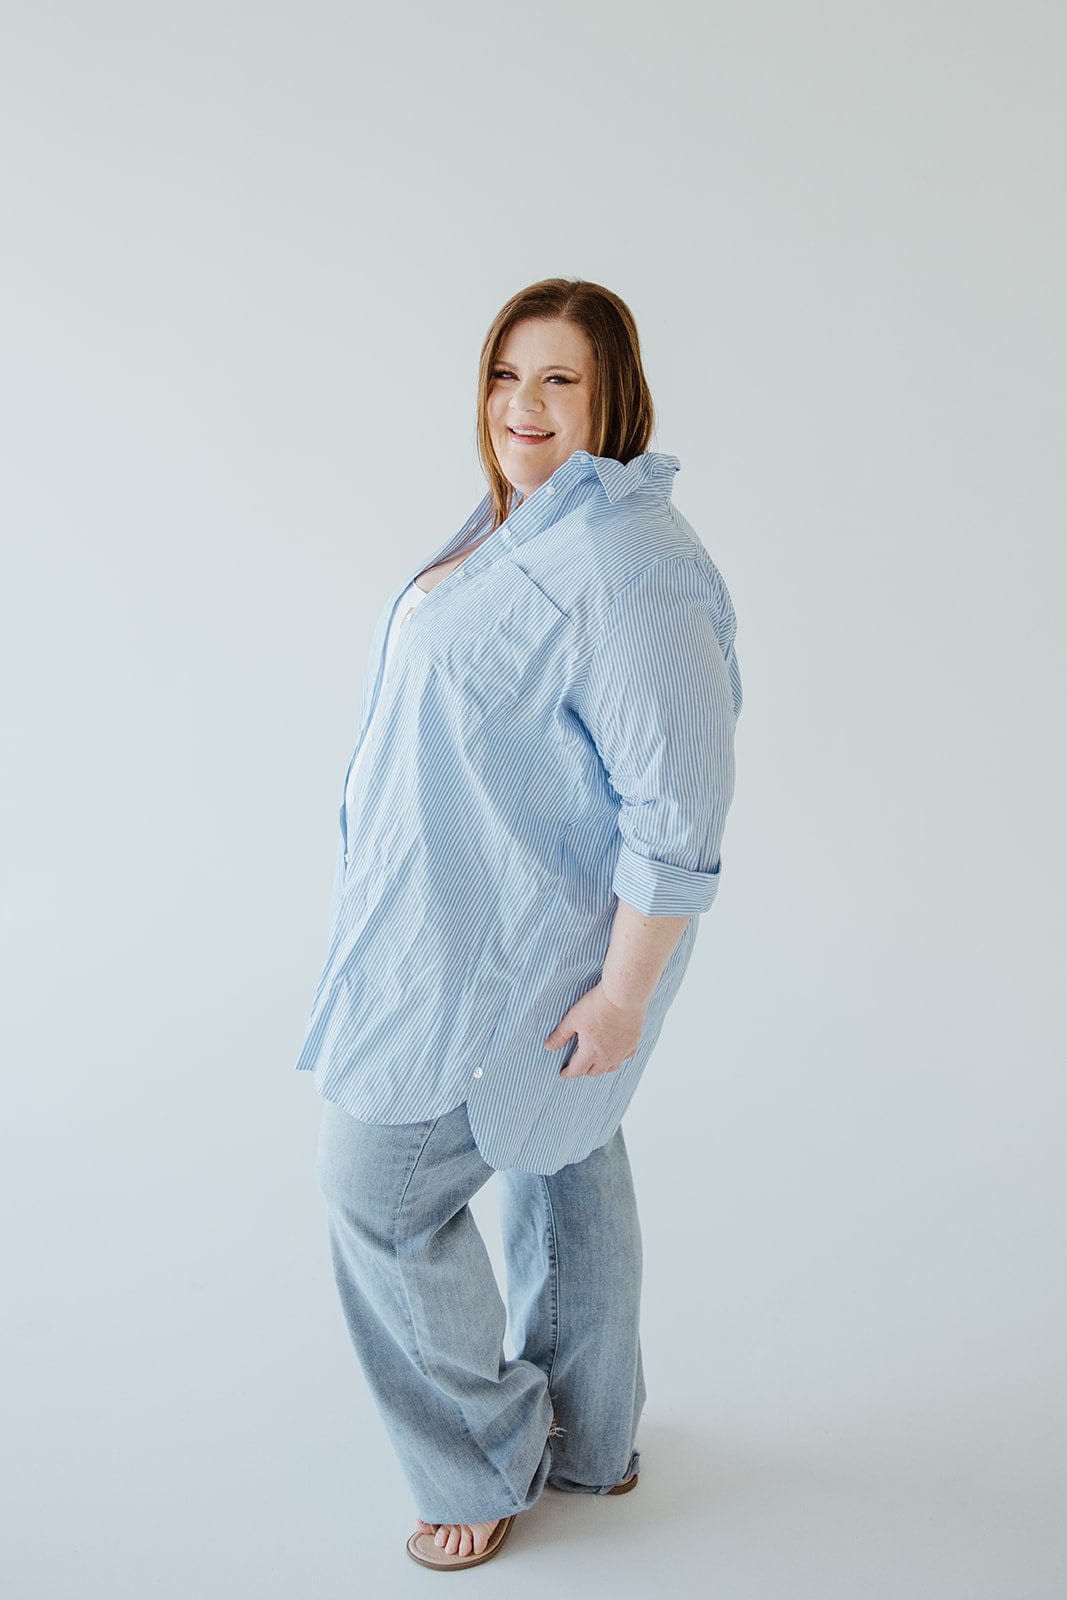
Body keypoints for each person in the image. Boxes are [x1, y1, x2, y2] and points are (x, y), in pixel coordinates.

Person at [296, 277, 743, 1570]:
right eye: (506, 375)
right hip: (455, 923)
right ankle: (592, 1440)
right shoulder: (529, 522)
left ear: (613, 396)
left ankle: (480, 1459)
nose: (523, 406)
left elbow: (680, 805)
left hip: (522, 955)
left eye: (559, 380)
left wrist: (619, 998)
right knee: (565, 1159)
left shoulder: (626, 561)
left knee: (375, 1190)